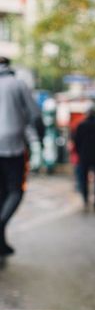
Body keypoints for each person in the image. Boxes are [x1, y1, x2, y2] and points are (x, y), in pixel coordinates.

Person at [0, 56, 42, 256]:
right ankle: (0, 226)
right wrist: (39, 139)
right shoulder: (18, 84)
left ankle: (1, 242)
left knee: (1, 194)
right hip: (13, 147)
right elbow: (35, 114)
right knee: (15, 190)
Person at [73, 105, 95, 212]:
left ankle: (85, 199)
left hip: (84, 157)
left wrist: (80, 153)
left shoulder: (81, 126)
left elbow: (76, 142)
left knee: (84, 179)